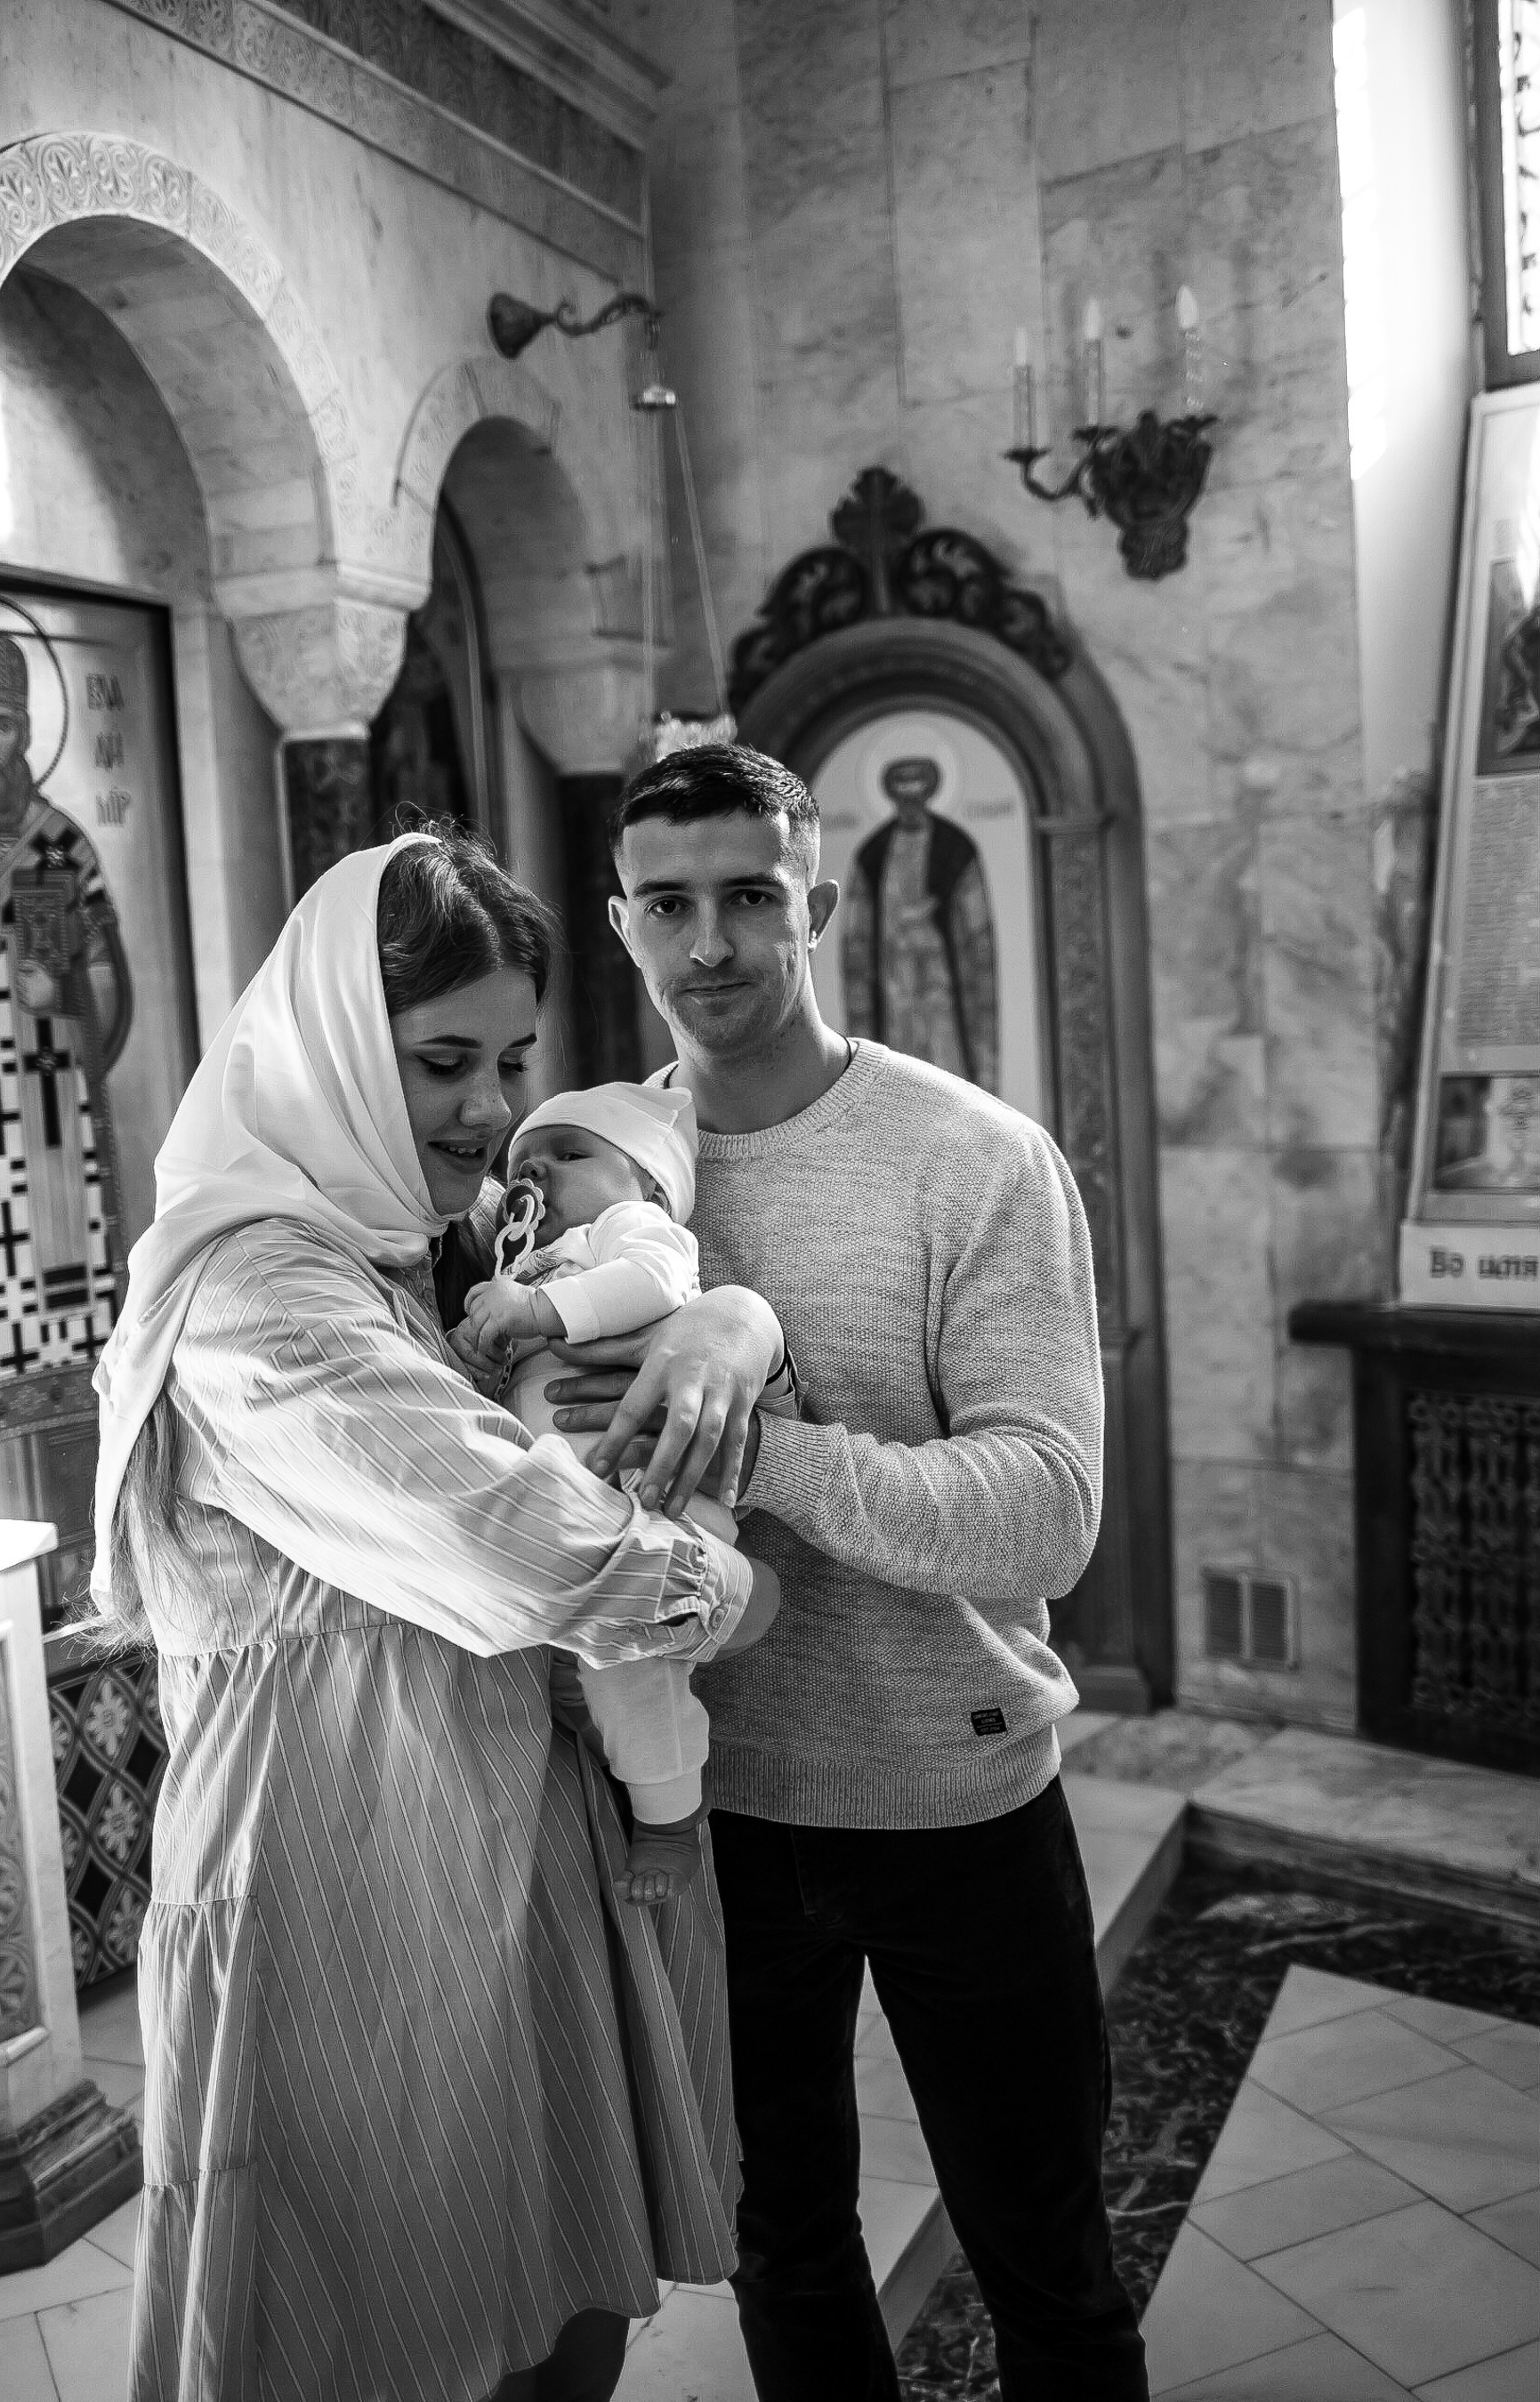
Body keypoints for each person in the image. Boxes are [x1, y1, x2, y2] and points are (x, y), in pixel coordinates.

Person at [91, 827, 786, 2402]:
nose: (489, 1109)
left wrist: (733, 1319)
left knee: (544, 2320)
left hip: (481, 1844)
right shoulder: (264, 1299)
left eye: (513, 1060)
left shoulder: (397, 1252)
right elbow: (527, 1551)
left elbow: (652, 1284)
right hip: (340, 1872)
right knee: (375, 2334)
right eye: (441, 1061)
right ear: (333, 1052)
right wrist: (734, 1592)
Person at [551, 745, 1148, 2400]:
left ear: (815, 908)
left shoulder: (974, 1160)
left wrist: (757, 1451)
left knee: (1049, 2266)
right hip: (711, 1809)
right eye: (668, 905)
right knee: (786, 2253)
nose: (711, 944)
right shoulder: (597, 1170)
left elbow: (1046, 1515)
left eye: (751, 897)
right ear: (622, 923)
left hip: (956, 1793)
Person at [453, 1079, 750, 1906]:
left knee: (632, 1671)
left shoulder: (630, 1231)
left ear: (648, 1185)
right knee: (578, 1680)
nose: (538, 1173)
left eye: (570, 1153)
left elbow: (657, 1282)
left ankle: (669, 1818)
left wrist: (535, 1308)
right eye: (524, 1163)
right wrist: (478, 1347)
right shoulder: (528, 1261)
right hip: (570, 1513)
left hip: (646, 1503)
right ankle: (627, 1777)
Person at [0, 624, 133, 1611]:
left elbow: (110, 987)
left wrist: (64, 995)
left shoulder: (63, 842)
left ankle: (101, 1568)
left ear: (25, 730)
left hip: (63, 1134)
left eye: (4, 724)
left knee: (83, 1324)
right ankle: (25, 1581)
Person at [839, 750, 998, 1093]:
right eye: (903, 795)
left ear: (929, 793)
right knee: (900, 1066)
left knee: (947, 1061)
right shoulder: (873, 853)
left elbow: (977, 934)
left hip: (941, 983)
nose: (910, 803)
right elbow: (858, 938)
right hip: (894, 981)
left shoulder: (955, 849)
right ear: (892, 797)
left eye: (917, 793)